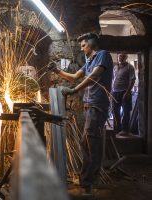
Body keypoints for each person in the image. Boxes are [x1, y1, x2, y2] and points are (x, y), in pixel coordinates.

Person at [48, 33, 113, 195]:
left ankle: (89, 182)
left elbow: (94, 76)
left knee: (91, 142)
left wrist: (75, 90)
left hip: (98, 105)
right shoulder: (89, 61)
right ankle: (86, 179)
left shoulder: (102, 55)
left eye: (84, 45)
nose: (82, 48)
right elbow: (74, 77)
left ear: (91, 44)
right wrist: (57, 71)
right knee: (86, 142)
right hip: (89, 105)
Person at [112, 54, 136, 135]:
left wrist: (128, 92)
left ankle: (125, 130)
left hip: (124, 92)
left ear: (126, 57)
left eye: (123, 56)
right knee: (115, 111)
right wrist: (111, 91)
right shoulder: (115, 67)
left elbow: (132, 80)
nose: (120, 57)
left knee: (126, 111)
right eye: (119, 56)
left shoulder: (130, 67)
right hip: (115, 92)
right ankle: (117, 128)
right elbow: (113, 79)